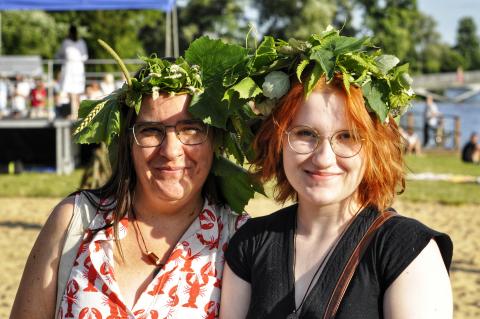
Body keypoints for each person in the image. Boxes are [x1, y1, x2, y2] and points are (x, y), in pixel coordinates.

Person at [10, 41, 260, 318]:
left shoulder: (239, 239)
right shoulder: (74, 221)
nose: (171, 151)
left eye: (190, 129)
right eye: (151, 130)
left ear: (215, 139)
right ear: (128, 141)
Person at [220, 30, 453, 319]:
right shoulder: (250, 244)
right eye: (305, 134)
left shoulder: (406, 252)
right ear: (277, 141)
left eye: (347, 137)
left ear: (375, 149)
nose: (323, 158)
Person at [55, 25, 88, 120]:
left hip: (72, 68)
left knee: (74, 93)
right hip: (77, 68)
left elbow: (60, 54)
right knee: (75, 93)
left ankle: (75, 114)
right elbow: (85, 57)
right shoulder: (80, 42)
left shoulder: (67, 42)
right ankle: (76, 113)